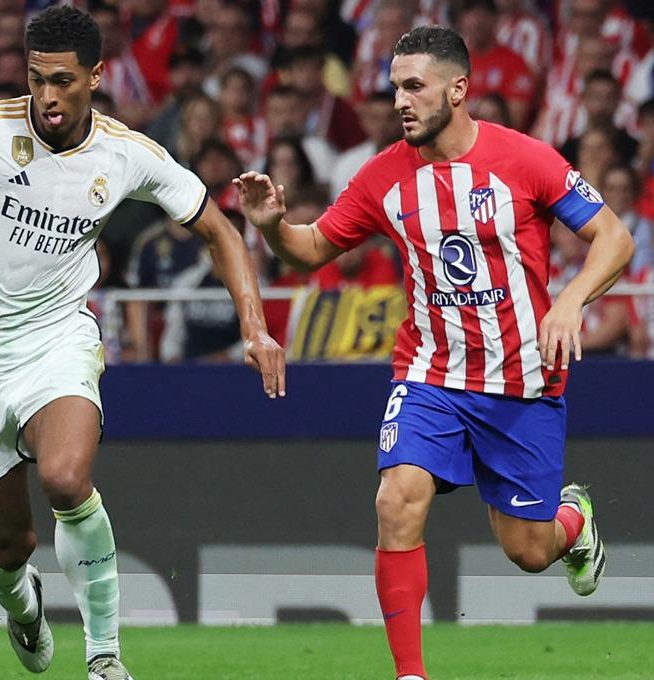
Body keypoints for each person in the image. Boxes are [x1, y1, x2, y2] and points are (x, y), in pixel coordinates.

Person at [0, 6, 285, 680]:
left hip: (56, 335)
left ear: (95, 75)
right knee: (11, 543)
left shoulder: (127, 154)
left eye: (63, 81)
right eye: (37, 80)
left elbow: (222, 230)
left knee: (66, 477)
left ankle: (104, 655)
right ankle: (22, 605)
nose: (48, 97)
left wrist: (255, 326)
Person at [235, 26, 634, 680]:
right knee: (397, 499)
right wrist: (274, 225)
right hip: (430, 373)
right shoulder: (385, 174)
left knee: (530, 552)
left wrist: (570, 302)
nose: (401, 100)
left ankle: (573, 520)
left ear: (458, 88)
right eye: (395, 87)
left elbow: (613, 239)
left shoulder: (526, 159)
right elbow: (310, 251)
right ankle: (411, 675)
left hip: (522, 381)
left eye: (414, 85)